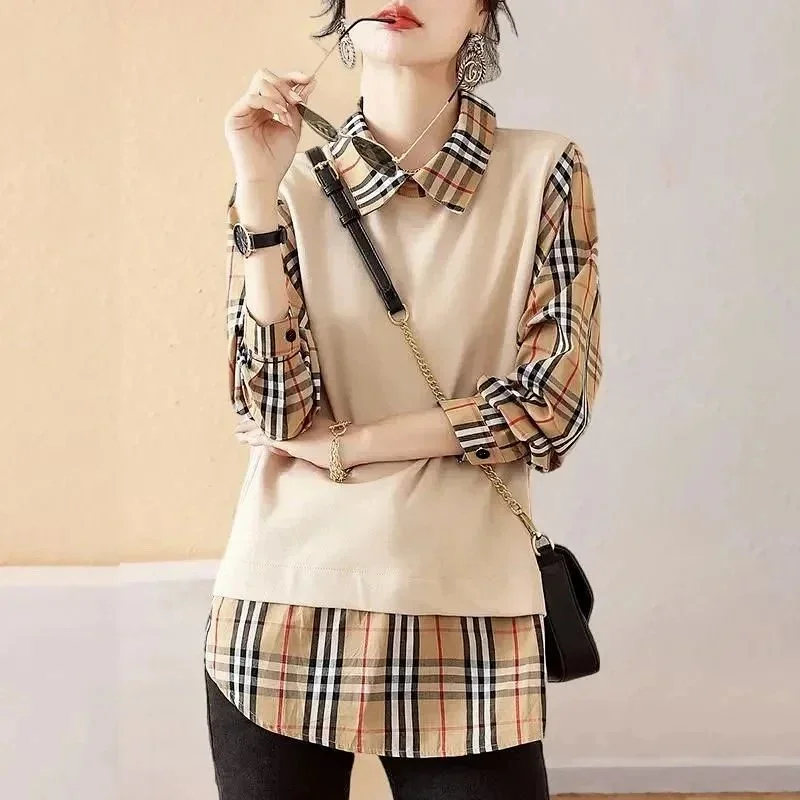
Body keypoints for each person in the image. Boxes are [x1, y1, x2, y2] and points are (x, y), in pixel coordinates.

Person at [204, 2, 603, 798]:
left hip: (467, 607)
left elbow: (552, 405)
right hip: (283, 603)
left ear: (483, 12)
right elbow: (276, 412)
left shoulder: (544, 172)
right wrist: (256, 192)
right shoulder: (284, 187)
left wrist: (354, 445)